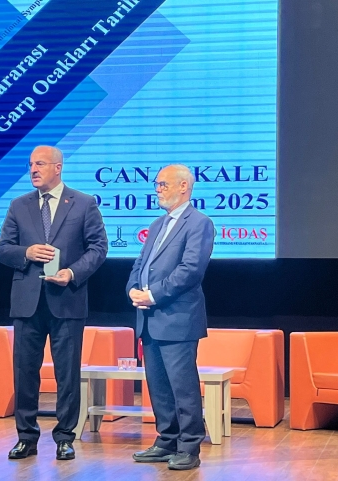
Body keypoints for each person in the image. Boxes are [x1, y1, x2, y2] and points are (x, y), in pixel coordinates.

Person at [0, 145, 108, 461]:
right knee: (25, 372)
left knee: (67, 373)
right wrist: (26, 253)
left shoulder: (83, 203)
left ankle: (65, 437)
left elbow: (98, 248)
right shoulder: (19, 205)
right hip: (27, 302)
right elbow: (3, 249)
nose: (33, 169)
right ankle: (26, 437)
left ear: (57, 167)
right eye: (31, 164)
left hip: (67, 300)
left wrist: (71, 273)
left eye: (40, 164)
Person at [126, 164, 214, 471]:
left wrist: (153, 294)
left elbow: (190, 270)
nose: (157, 189)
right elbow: (141, 264)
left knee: (182, 387)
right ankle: (167, 440)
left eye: (163, 184)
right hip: (149, 318)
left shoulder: (199, 223)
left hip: (178, 319)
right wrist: (133, 289)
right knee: (158, 386)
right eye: (157, 184)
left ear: (184, 187)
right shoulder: (157, 224)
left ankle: (189, 446)